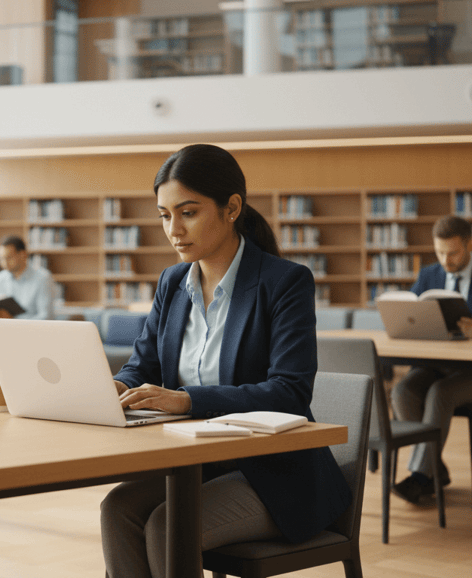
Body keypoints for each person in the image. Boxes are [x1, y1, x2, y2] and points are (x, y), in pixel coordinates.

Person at [99, 144, 351, 577]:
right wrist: (118, 386)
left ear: (232, 207)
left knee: (165, 527)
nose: (174, 229)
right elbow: (142, 367)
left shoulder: (285, 282)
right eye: (164, 215)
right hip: (196, 465)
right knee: (117, 508)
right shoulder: (173, 282)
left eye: (188, 212)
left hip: (275, 475)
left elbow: (289, 392)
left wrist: (187, 400)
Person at [390, 215, 472, 503]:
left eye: (453, 252)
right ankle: (436, 468)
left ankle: (421, 477)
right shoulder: (428, 276)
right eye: (439, 252)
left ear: (469, 245)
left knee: (439, 394)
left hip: (469, 373)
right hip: (434, 364)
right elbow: (413, 312)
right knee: (402, 391)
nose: (446, 260)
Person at [0, 235, 54, 382]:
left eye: (9, 257)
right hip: (1, 327)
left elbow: (46, 316)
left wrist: (14, 320)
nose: (4, 263)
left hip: (28, 330)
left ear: (23, 254)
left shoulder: (42, 278)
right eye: (1, 259)